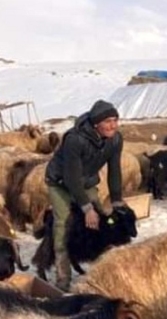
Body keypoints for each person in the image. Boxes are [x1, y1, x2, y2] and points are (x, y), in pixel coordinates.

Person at [45, 99, 126, 291]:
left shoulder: (115, 139)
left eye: (115, 120)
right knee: (63, 224)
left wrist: (116, 201)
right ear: (96, 123)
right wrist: (87, 208)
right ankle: (63, 278)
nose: (113, 125)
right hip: (61, 183)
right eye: (107, 121)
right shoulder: (75, 139)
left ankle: (99, 274)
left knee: (99, 225)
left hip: (87, 181)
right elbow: (71, 178)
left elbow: (114, 170)